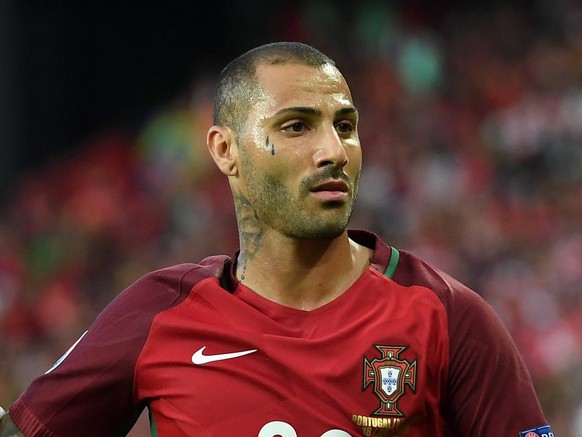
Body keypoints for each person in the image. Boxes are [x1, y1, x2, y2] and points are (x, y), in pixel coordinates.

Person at [0, 41, 552, 437]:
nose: (333, 150)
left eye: (345, 125)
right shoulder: (157, 314)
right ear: (224, 151)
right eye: (296, 126)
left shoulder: (449, 316)